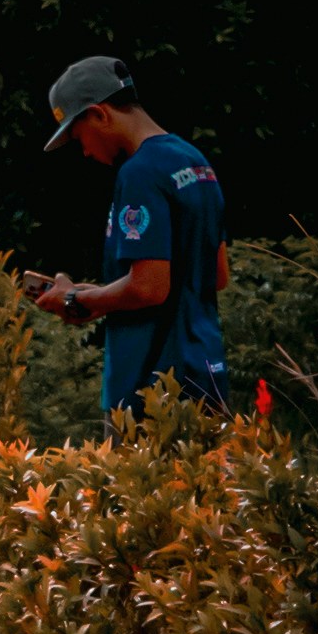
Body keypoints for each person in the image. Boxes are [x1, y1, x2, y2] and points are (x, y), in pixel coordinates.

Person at [29, 54, 230, 415]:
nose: (86, 152)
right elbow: (215, 275)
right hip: (206, 378)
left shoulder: (139, 173)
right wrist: (97, 294)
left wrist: (77, 300)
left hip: (150, 391)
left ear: (100, 114)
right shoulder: (195, 163)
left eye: (80, 137)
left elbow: (148, 287)